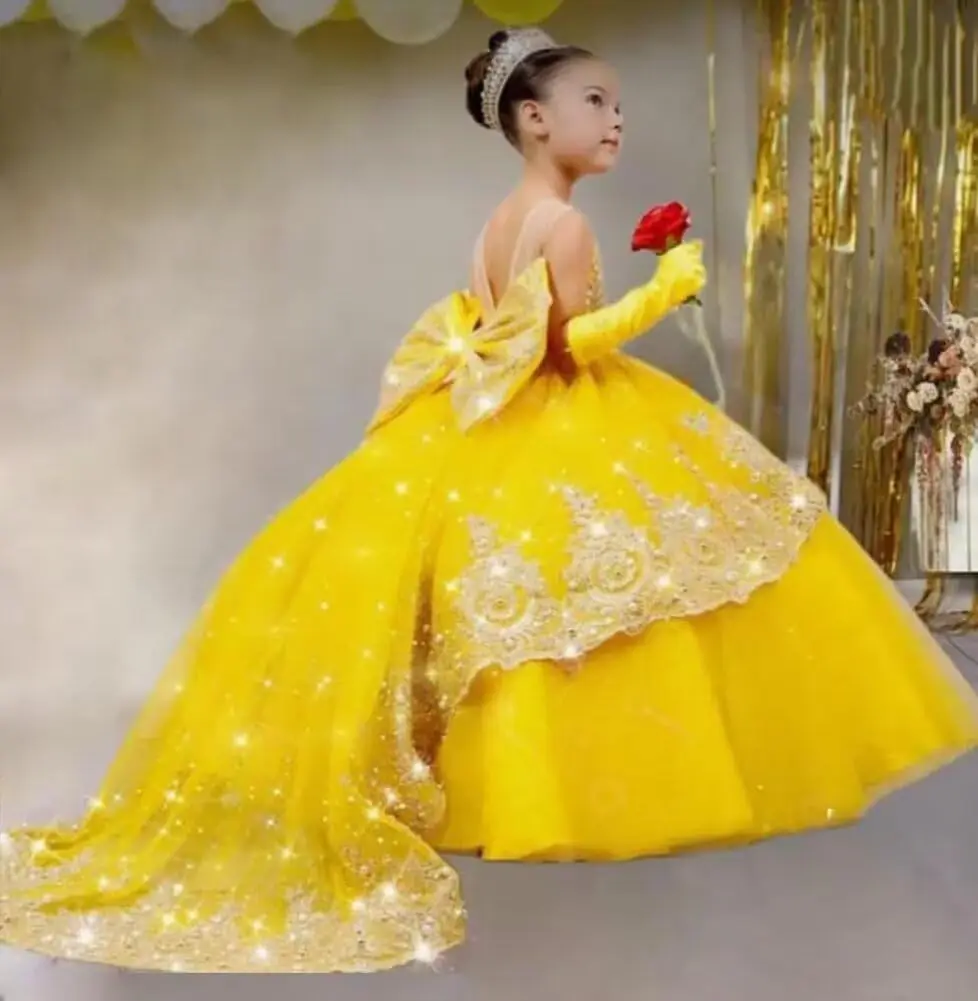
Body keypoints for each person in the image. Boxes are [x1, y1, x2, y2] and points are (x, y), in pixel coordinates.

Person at [2, 26, 977, 977]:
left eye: (620, 103)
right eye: (596, 101)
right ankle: (580, 790)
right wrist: (666, 290)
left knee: (523, 594)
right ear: (533, 118)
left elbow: (506, 328)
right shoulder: (566, 222)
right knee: (611, 579)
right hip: (556, 410)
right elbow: (567, 344)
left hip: (481, 421)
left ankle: (506, 787)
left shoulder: (499, 221)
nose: (616, 119)